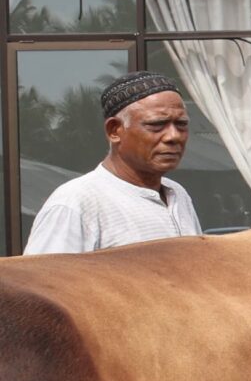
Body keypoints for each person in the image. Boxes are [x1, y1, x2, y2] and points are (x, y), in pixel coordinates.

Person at [22, 70, 204, 253]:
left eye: (181, 124)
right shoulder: (76, 203)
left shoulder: (178, 195)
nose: (173, 136)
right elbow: (42, 280)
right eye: (157, 125)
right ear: (114, 130)